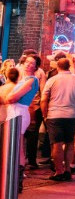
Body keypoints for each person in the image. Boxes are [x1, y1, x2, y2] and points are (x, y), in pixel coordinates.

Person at [41, 57, 75, 181]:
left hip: (54, 115)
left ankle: (59, 171)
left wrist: (45, 115)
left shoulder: (52, 80)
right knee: (69, 143)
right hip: (71, 115)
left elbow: (44, 99)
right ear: (69, 66)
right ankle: (68, 170)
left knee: (57, 144)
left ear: (57, 67)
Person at [0, 64, 32, 194]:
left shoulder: (3, 88)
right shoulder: (17, 88)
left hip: (5, 120)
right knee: (19, 149)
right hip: (16, 119)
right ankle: (17, 179)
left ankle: (8, 177)